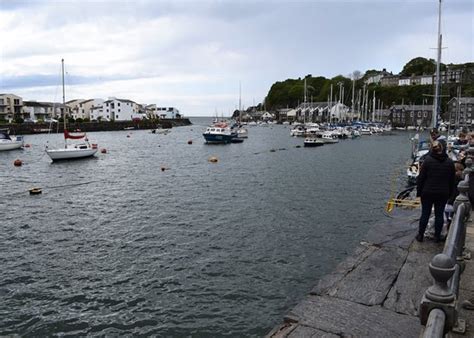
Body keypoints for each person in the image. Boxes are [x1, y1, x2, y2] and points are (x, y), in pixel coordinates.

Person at [416, 140, 456, 242]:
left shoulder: (428, 161)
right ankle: (437, 237)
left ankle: (420, 235)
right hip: (442, 193)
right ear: (443, 149)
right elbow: (452, 180)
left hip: (428, 191)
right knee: (439, 214)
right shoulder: (450, 162)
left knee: (425, 213)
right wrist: (451, 194)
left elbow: (421, 178)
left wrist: (419, 192)